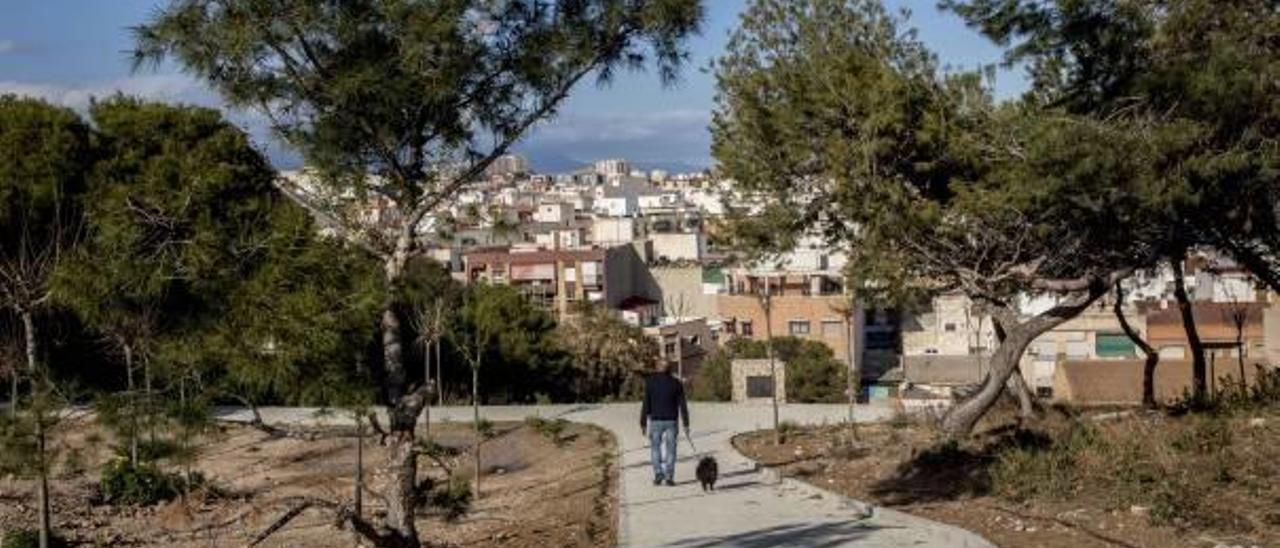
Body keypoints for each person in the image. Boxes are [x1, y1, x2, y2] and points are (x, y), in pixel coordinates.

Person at [640, 363, 689, 486]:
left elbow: (646, 403)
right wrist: (686, 424)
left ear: (657, 368)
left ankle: (658, 473)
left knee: (655, 448)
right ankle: (669, 477)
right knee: (671, 450)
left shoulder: (650, 382)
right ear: (670, 369)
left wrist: (643, 423)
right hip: (671, 421)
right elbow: (683, 405)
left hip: (655, 421)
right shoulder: (676, 383)